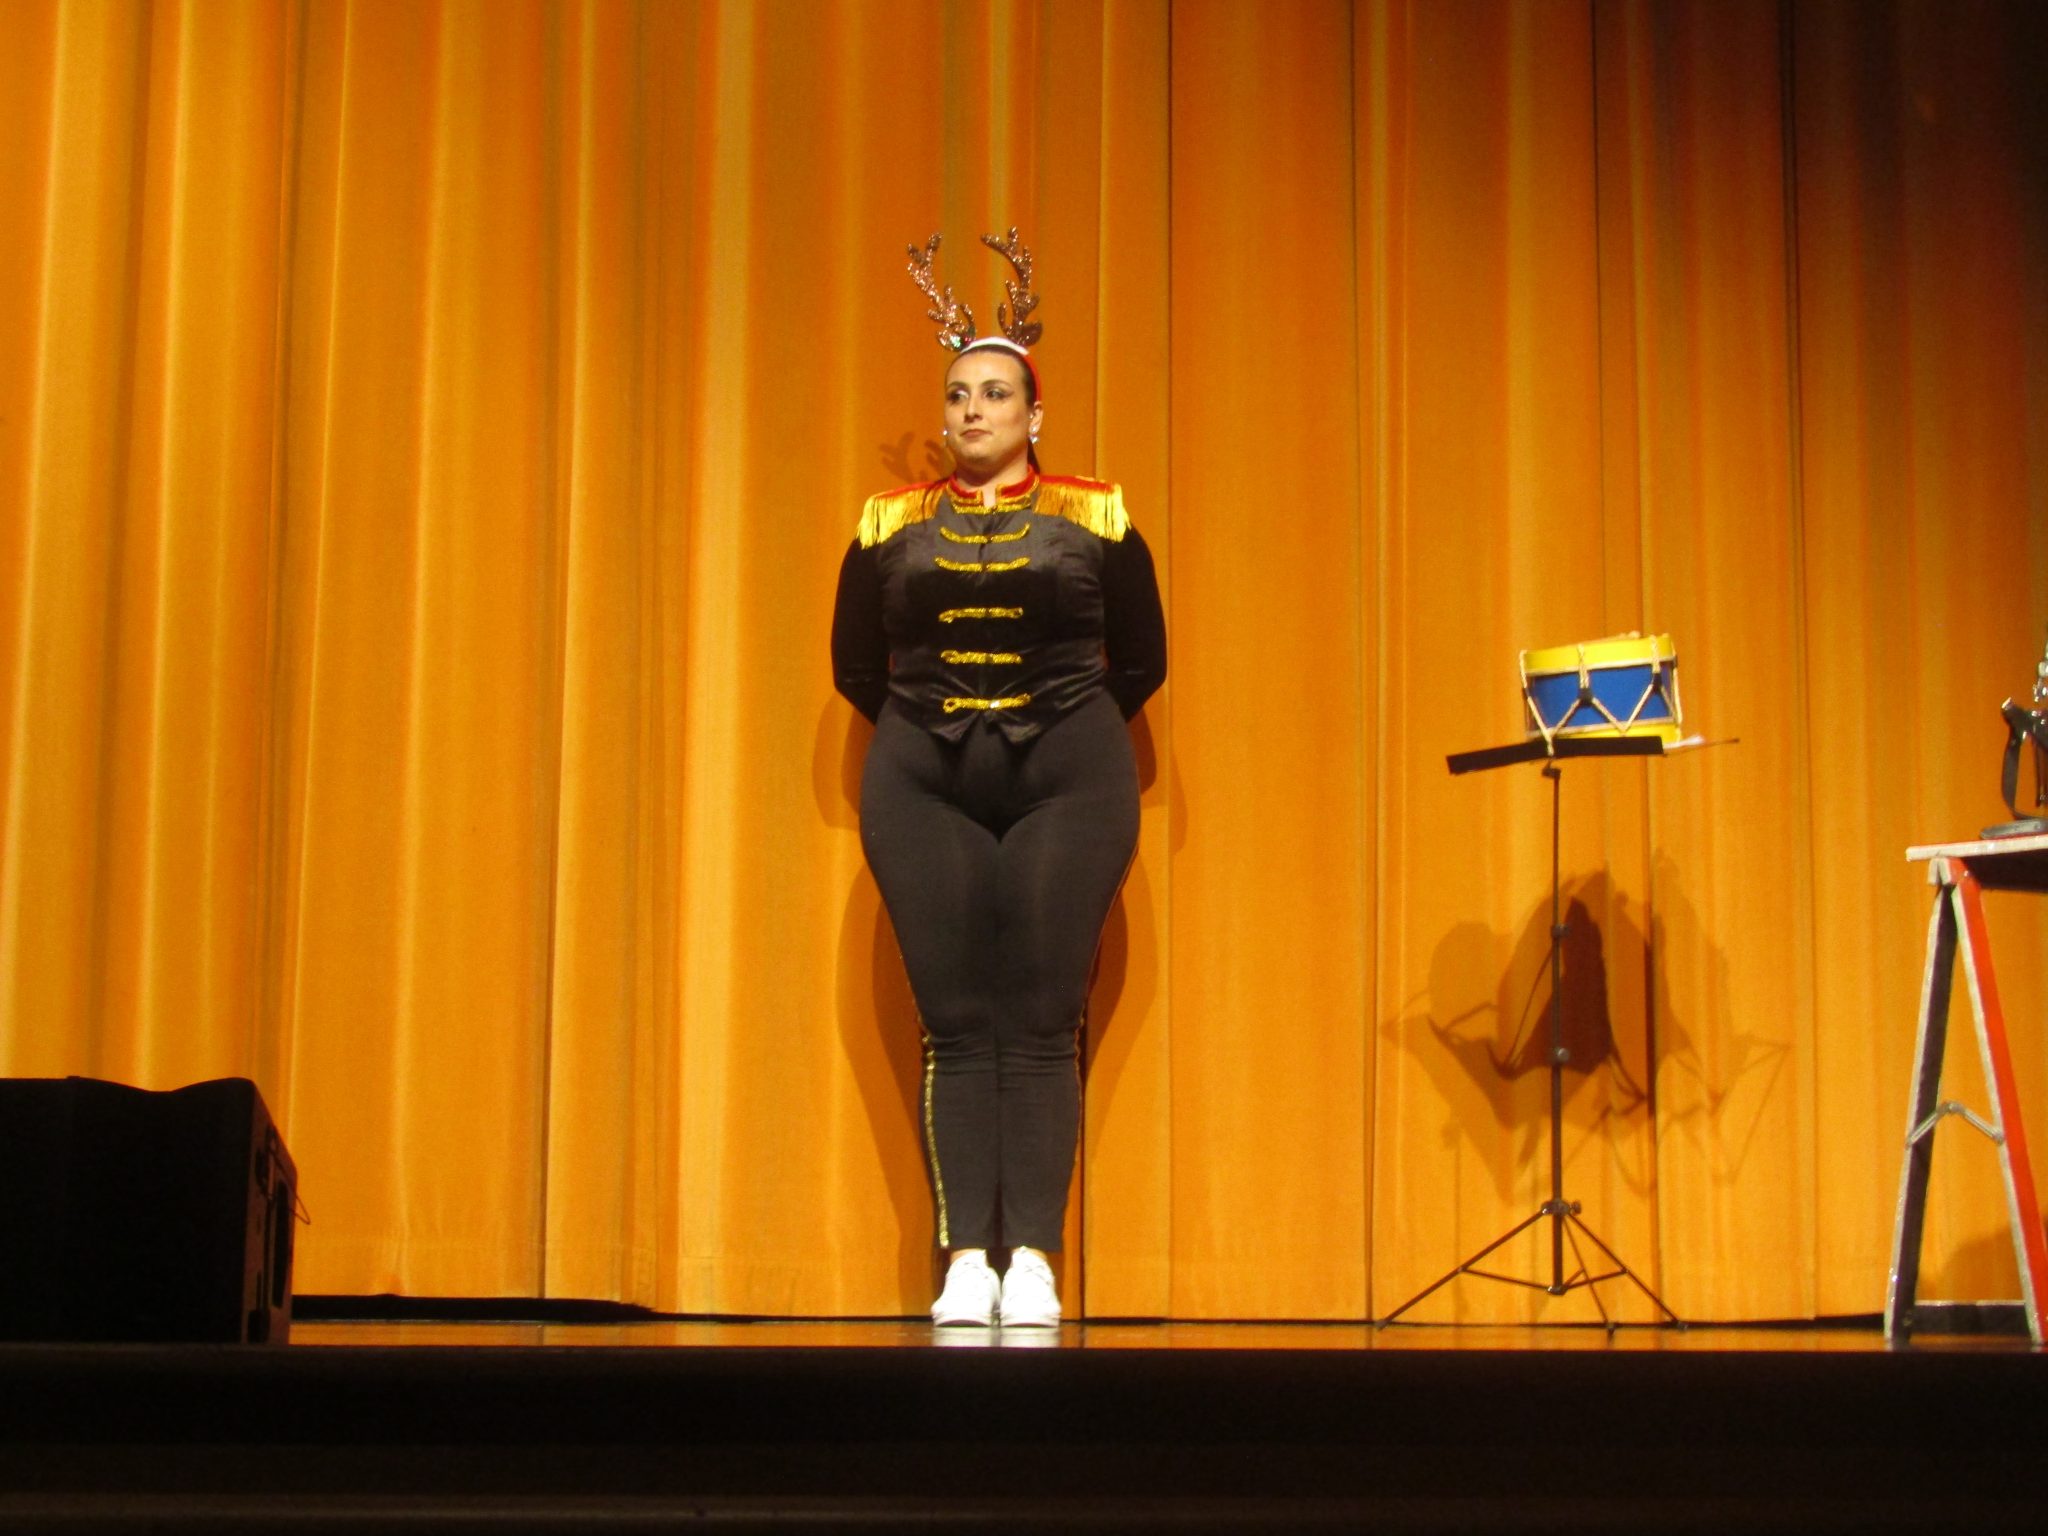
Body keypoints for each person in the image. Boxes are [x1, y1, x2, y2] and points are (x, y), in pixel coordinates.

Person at [831, 235, 1166, 1327]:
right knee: (955, 1018)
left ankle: (1031, 1254)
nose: (973, 410)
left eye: (994, 394)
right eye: (958, 395)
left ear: (1033, 412)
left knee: (1039, 1015)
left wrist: (1060, 725)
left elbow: (1142, 657)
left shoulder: (1097, 514)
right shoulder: (888, 523)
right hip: (923, 784)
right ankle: (965, 1257)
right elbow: (853, 665)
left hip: (1069, 782)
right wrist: (935, 730)